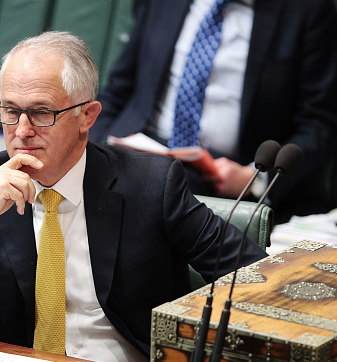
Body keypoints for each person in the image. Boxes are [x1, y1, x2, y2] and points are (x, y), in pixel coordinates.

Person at [0, 31, 267, 362]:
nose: (21, 131)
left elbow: (256, 280)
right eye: (10, 111)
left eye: (40, 112)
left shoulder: (151, 184)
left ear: (87, 116)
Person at [89, 0, 337, 224]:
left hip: (221, 175)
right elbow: (118, 90)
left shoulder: (308, 10)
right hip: (132, 149)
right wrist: (93, 147)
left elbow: (319, 124)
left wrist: (255, 178)